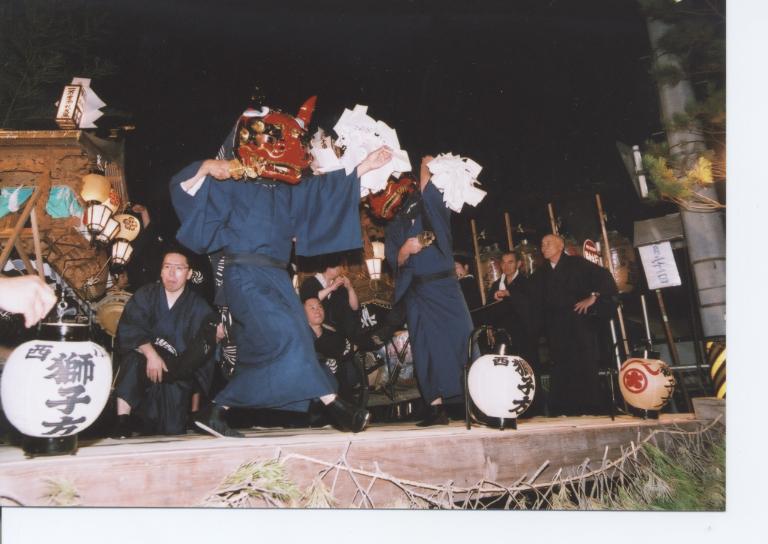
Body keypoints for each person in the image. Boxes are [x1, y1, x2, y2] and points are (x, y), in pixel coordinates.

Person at [169, 102, 393, 436]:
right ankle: (336, 406)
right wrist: (206, 167)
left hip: (277, 277)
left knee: (294, 341)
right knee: (288, 337)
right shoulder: (234, 181)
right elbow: (182, 188)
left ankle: (215, 411)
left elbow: (322, 192)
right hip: (245, 276)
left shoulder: (285, 190)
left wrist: (363, 167)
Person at [385, 156, 474, 426]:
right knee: (423, 346)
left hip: (443, 285)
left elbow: (427, 186)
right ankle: (435, 407)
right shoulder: (395, 222)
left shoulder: (432, 204)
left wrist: (427, 165)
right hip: (416, 290)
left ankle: (477, 398)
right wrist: (405, 250)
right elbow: (395, 261)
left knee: (461, 339)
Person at [112, 249, 221, 438]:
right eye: (167, 267)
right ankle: (122, 420)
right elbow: (131, 327)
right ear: (161, 271)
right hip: (144, 360)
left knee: (172, 431)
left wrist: (216, 335)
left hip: (176, 370)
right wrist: (151, 354)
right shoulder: (146, 295)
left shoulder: (199, 306)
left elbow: (202, 347)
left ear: (188, 274)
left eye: (178, 268)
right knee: (133, 360)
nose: (172, 273)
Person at [529, 234, 618, 416]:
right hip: (555, 327)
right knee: (560, 367)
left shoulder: (577, 263)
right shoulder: (541, 273)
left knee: (584, 364)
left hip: (579, 322)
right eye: (542, 244)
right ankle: (563, 410)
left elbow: (604, 277)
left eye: (548, 243)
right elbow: (529, 295)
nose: (544, 247)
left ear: (560, 245)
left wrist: (593, 297)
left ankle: (590, 408)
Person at [299, 256, 360, 340]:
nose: (340, 268)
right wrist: (331, 287)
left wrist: (349, 288)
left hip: (344, 335)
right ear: (326, 265)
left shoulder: (340, 287)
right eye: (336, 265)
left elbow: (355, 307)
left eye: (340, 265)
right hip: (321, 335)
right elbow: (310, 301)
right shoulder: (310, 283)